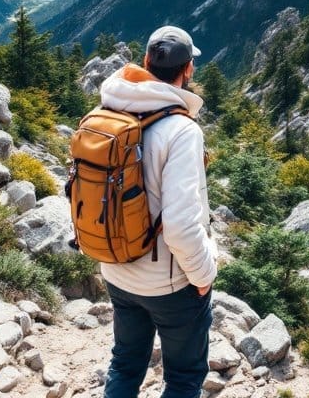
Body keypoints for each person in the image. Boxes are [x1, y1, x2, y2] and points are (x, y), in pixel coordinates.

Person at [100, 25, 217, 398]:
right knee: (183, 378)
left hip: (116, 269)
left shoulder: (109, 110)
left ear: (146, 62)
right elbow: (181, 224)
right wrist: (203, 274)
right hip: (168, 284)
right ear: (188, 71)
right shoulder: (182, 130)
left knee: (124, 363)